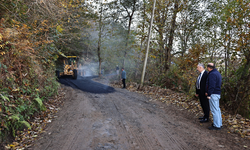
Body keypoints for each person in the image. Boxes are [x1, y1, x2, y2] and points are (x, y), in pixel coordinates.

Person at [206, 63, 222, 130]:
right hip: (217, 93)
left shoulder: (212, 74)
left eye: (207, 68)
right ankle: (219, 123)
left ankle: (216, 125)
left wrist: (209, 94)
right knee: (217, 109)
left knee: (214, 110)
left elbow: (212, 85)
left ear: (209, 68)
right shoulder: (218, 73)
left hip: (213, 94)